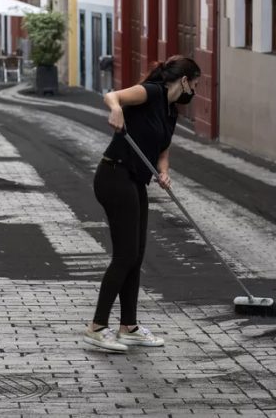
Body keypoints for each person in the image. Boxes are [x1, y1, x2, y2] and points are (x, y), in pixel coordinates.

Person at [84, 55, 201, 353]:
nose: (195, 92)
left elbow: (163, 150)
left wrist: (163, 171)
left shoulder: (171, 111)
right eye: (195, 85)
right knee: (124, 256)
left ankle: (129, 326)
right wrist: (116, 111)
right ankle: (97, 327)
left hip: (136, 180)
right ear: (184, 80)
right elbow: (112, 96)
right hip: (114, 175)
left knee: (136, 255)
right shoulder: (151, 92)